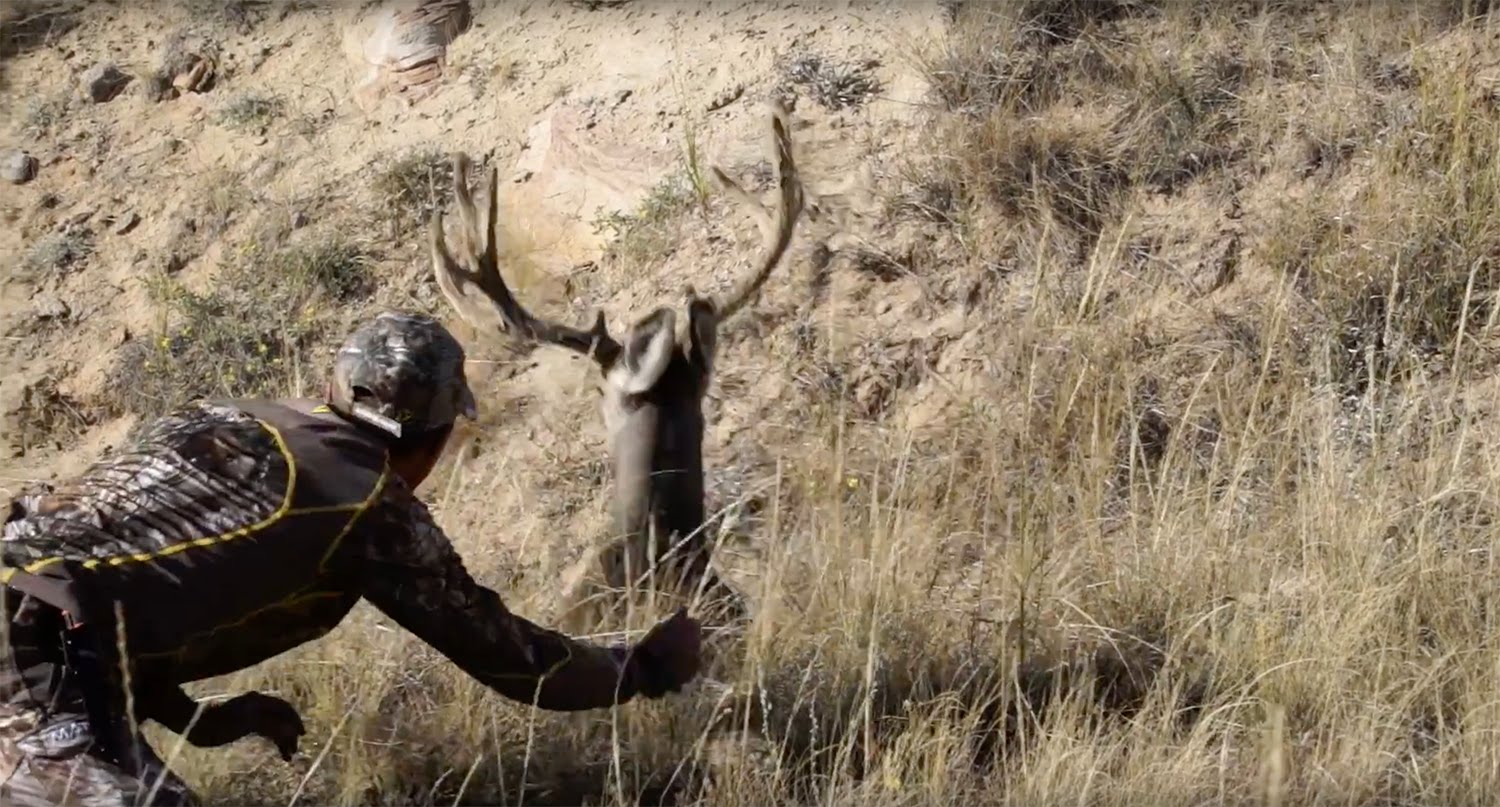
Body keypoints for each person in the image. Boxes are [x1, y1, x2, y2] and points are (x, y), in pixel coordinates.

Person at [0, 311, 703, 806]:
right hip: (29, 639)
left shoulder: (219, 414)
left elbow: (116, 575)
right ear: (434, 434)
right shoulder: (370, 507)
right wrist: (638, 667)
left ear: (335, 386)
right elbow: (515, 662)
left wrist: (200, 719)